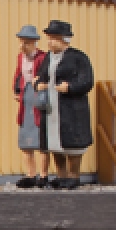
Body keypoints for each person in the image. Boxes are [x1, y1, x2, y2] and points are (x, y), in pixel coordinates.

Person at [33, 19, 94, 190]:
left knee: (72, 146)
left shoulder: (78, 58)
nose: (50, 42)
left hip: (71, 109)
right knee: (55, 143)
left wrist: (70, 87)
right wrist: (38, 84)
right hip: (51, 109)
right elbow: (40, 76)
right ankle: (61, 175)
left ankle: (73, 176)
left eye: (54, 38)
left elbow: (87, 81)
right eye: (49, 38)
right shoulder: (48, 58)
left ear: (65, 40)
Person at [12, 24, 49, 189]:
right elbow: (18, 74)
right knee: (26, 141)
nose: (23, 45)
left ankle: (43, 174)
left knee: (41, 141)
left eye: (26, 42)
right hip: (25, 99)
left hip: (38, 97)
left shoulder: (42, 57)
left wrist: (40, 83)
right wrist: (16, 89)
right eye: (21, 42)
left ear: (34, 43)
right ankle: (31, 174)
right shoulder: (21, 57)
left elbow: (46, 75)